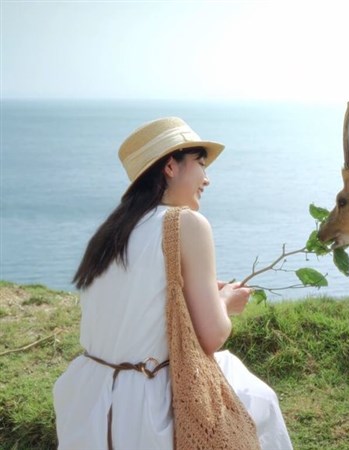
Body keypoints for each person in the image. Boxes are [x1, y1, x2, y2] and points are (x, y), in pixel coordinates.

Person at [53, 117, 293, 450]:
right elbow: (212, 336)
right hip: (148, 405)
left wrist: (204, 292)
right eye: (200, 163)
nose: (207, 179)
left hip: (87, 402)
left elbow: (137, 310)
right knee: (258, 399)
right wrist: (226, 302)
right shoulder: (186, 223)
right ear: (170, 165)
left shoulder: (110, 233)